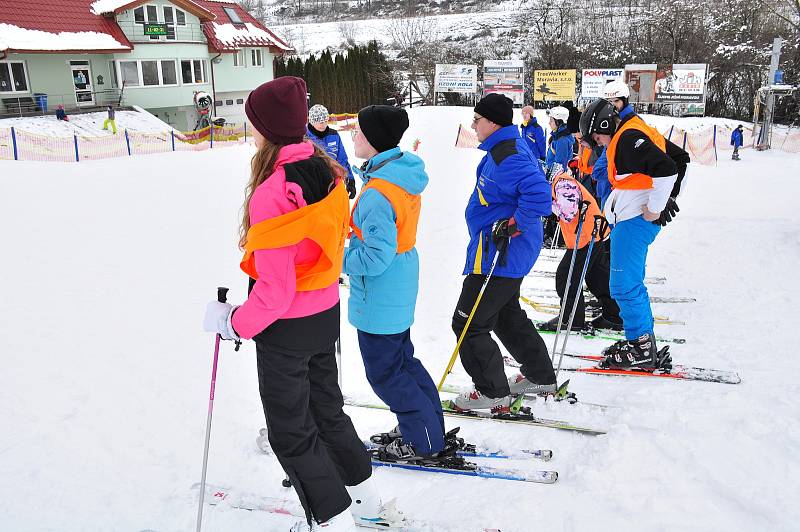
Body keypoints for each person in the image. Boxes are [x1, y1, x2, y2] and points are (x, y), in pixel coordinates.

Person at [202, 77, 400, 532]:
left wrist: (235, 322)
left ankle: (328, 521)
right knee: (327, 413)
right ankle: (368, 507)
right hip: (322, 315)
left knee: (291, 432)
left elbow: (273, 291)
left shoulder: (274, 191)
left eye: (252, 122)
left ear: (267, 127)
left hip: (286, 327)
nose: (249, 128)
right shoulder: (325, 169)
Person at [343, 105, 446, 461]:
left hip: (381, 294)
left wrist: (338, 260)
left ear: (373, 139)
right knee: (403, 362)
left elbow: (375, 257)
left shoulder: (377, 192)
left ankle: (423, 440)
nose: (353, 136)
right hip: (397, 285)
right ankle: (428, 428)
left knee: (386, 374)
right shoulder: (399, 172)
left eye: (358, 131)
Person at [450, 93, 557, 413]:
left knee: (468, 323)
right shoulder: (502, 148)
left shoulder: (508, 153)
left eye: (477, 119)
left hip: (500, 253)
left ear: (493, 122)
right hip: (501, 252)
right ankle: (539, 375)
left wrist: (514, 225)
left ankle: (492, 391)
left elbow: (540, 195)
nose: (473, 125)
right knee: (506, 317)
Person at [579, 91, 689, 370]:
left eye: (595, 138)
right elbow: (679, 158)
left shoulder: (627, 138)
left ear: (603, 126)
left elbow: (667, 168)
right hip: (630, 219)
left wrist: (657, 206)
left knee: (623, 286)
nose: (597, 144)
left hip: (634, 221)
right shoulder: (632, 132)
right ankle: (641, 343)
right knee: (629, 283)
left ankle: (640, 348)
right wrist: (665, 200)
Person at [537, 169, 622, 332]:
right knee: (596, 277)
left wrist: (544, 204)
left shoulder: (562, 183)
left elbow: (568, 212)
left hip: (586, 235)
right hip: (591, 234)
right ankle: (614, 315)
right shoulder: (559, 182)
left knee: (567, 276)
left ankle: (572, 319)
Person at [306, 104, 358, 198]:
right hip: (312, 184)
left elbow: (342, 159)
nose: (323, 125)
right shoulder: (305, 137)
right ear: (312, 122)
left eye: (325, 121)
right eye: (319, 122)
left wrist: (350, 179)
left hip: (333, 181)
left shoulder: (334, 135)